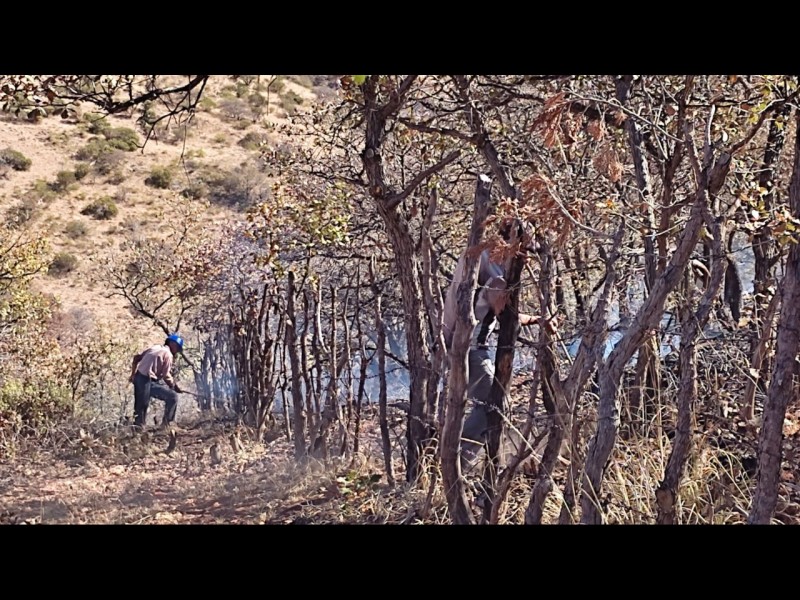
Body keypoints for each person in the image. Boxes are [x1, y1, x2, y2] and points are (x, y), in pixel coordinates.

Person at [442, 246, 537, 469]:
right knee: (493, 405)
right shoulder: (496, 282)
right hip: (471, 351)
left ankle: (457, 461)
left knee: (489, 405)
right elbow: (508, 316)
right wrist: (536, 319)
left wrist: (537, 319)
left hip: (467, 350)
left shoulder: (477, 279)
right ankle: (456, 462)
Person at [129, 333, 185, 430]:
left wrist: (133, 375)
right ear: (173, 344)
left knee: (140, 407)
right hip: (146, 380)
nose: (177, 351)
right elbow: (166, 375)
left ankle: (138, 431)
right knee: (172, 396)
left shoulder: (154, 348)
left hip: (139, 378)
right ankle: (166, 425)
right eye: (177, 348)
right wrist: (174, 386)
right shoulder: (168, 354)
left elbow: (136, 358)